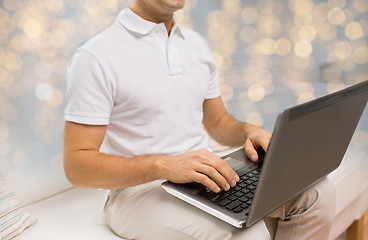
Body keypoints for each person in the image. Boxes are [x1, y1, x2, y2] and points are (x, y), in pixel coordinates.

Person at [63, 0, 335, 239]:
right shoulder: (95, 56)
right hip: (137, 192)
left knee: (318, 194)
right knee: (247, 232)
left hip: (204, 177)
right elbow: (77, 166)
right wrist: (164, 165)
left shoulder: (195, 45)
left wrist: (247, 131)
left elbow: (217, 122)